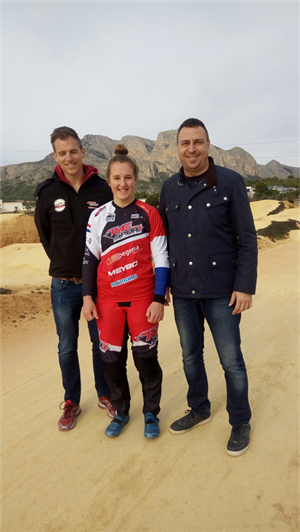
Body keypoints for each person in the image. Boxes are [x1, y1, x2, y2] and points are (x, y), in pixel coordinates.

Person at [159, 118, 258, 456]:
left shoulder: (230, 182)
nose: (191, 149)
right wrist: (164, 284)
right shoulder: (169, 188)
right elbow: (165, 241)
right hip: (184, 290)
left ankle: (240, 420)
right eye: (185, 143)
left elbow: (247, 240)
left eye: (197, 142)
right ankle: (199, 408)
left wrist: (245, 286)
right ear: (177, 148)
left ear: (208, 144)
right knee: (190, 356)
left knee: (231, 360)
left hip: (222, 290)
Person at [34, 126, 125, 431]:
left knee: (101, 343)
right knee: (66, 347)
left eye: (74, 151)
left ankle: (105, 394)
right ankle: (71, 400)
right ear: (55, 156)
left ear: (83, 152)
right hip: (62, 285)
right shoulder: (47, 192)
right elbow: (45, 236)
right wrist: (62, 262)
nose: (69, 157)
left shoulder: (101, 188)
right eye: (62, 153)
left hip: (98, 286)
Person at [82, 144, 169, 439]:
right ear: (109, 181)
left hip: (144, 300)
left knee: (145, 360)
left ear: (136, 179)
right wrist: (87, 298)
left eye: (128, 177)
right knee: (111, 362)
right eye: (117, 178)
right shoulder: (98, 217)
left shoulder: (149, 213)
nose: (122, 183)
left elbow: (162, 259)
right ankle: (121, 411)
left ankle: (150, 413)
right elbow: (89, 259)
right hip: (107, 302)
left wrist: (159, 298)